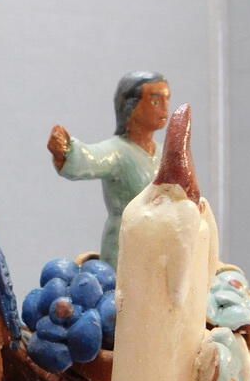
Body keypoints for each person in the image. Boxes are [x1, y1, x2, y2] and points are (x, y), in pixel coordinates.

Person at [47, 71, 171, 266]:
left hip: (162, 251)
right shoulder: (118, 151)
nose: (165, 108)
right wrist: (66, 150)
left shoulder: (166, 154)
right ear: (130, 107)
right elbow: (91, 158)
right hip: (125, 251)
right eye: (155, 101)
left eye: (167, 99)